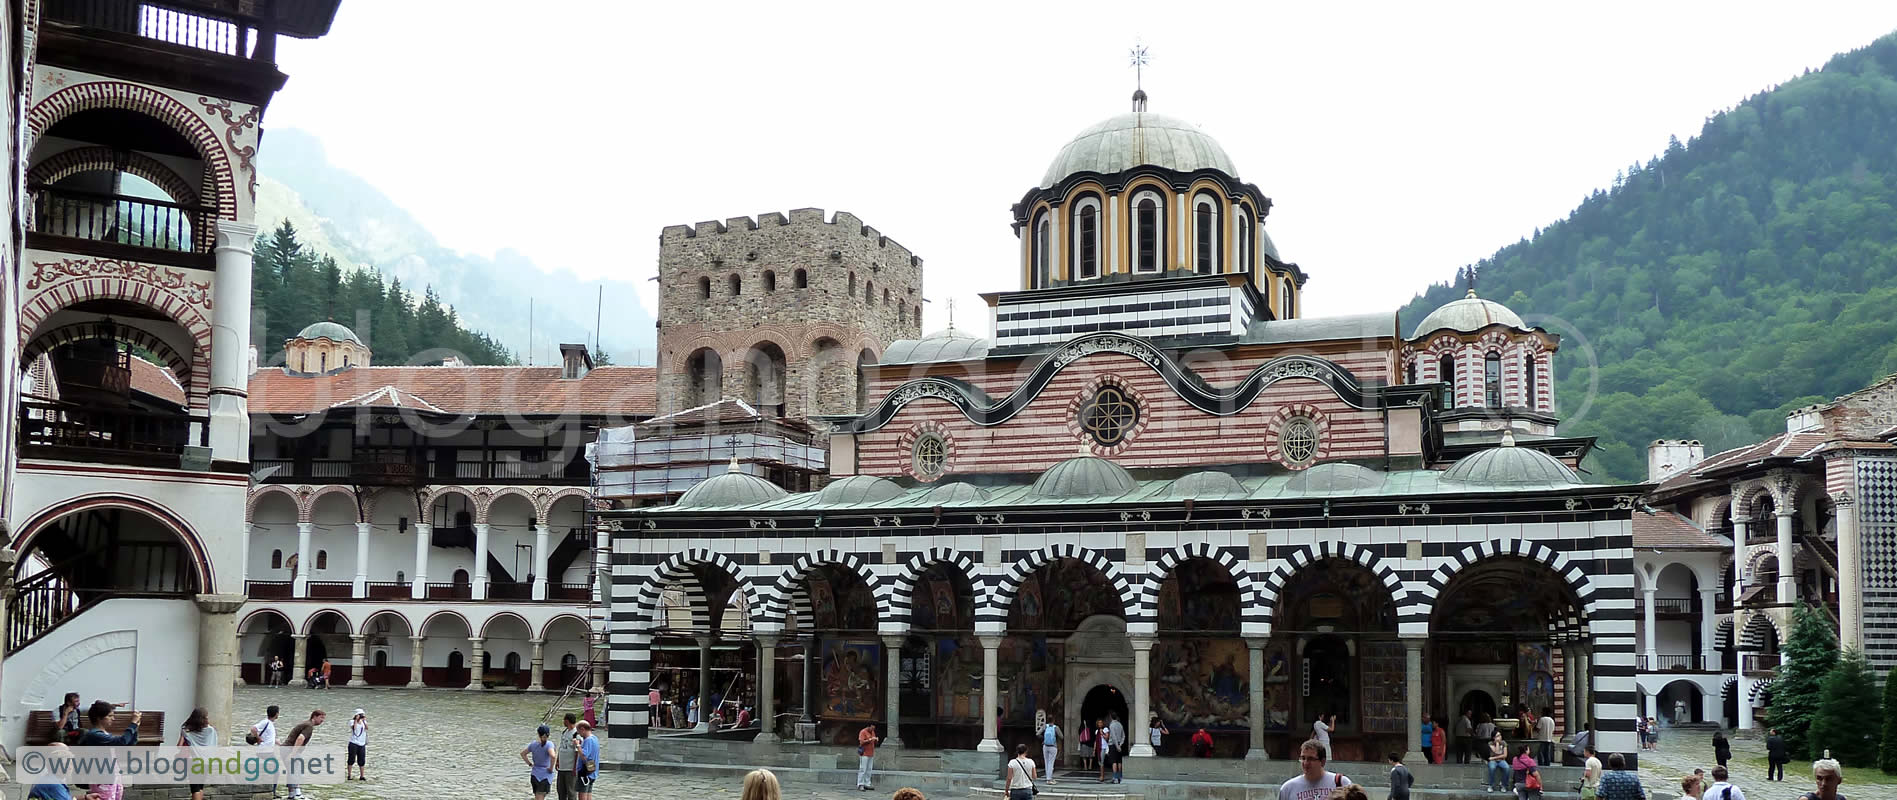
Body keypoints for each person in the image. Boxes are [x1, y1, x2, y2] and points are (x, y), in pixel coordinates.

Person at [1279, 739, 1351, 800]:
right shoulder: (1288, 788)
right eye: (1303, 758)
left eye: (1311, 759)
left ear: (1322, 762)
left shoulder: (1342, 783)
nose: (1306, 763)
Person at [282, 710, 324, 799]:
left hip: (285, 749)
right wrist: (293, 754)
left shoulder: (306, 724)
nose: (322, 720)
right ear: (314, 717)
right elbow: (300, 739)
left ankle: (291, 795)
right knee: (296, 771)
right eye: (321, 717)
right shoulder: (309, 726)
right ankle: (298, 794)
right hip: (291, 750)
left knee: (291, 772)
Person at [178, 707, 217, 800]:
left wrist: (183, 734)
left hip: (193, 761)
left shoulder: (186, 730)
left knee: (195, 788)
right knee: (200, 786)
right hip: (206, 761)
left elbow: (179, 746)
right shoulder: (211, 730)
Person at [249, 705, 280, 796]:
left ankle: (271, 791)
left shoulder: (270, 723)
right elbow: (253, 728)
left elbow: (270, 738)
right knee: (276, 771)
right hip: (264, 751)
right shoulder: (265, 722)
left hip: (266, 750)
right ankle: (273, 792)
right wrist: (258, 739)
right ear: (276, 714)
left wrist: (280, 744)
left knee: (271, 770)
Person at [522, 724, 558, 800]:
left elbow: (523, 754)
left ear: (538, 734)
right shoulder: (549, 744)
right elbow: (553, 756)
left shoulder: (533, 744)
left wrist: (530, 764)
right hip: (545, 775)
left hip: (535, 773)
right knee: (540, 797)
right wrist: (551, 768)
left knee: (537, 796)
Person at [574, 720, 601, 800]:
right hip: (592, 769)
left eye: (578, 731)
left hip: (585, 772)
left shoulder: (588, 740)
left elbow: (584, 756)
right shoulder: (594, 738)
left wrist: (578, 745)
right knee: (589, 793)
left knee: (582, 794)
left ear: (582, 729)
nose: (579, 734)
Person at [555, 713, 579, 800]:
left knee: (571, 791)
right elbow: (561, 747)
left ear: (567, 721)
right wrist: (557, 760)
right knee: (561, 790)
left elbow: (577, 752)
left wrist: (575, 768)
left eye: (564, 720)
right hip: (562, 767)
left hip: (570, 768)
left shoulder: (576, 734)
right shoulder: (565, 732)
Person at [857, 723, 880, 790]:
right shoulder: (863, 732)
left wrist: (876, 740)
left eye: (874, 729)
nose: (872, 730)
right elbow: (861, 742)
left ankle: (867, 783)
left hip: (871, 753)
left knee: (869, 769)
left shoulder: (872, 732)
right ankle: (860, 784)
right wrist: (869, 740)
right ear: (868, 726)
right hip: (864, 753)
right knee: (863, 769)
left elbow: (874, 742)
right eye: (872, 728)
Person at [346, 709, 368, 781]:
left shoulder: (363, 722)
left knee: (362, 760)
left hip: (362, 743)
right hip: (353, 743)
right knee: (351, 759)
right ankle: (349, 775)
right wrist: (356, 720)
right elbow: (354, 729)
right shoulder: (352, 722)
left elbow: (367, 728)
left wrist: (364, 721)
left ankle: (362, 776)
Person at [1040, 714, 1061, 783]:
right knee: (1051, 762)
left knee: (1046, 762)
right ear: (1054, 720)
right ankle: (1049, 779)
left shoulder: (1045, 726)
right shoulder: (1056, 727)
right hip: (1053, 746)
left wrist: (1044, 739)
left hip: (1045, 746)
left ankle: (1047, 777)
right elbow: (1061, 736)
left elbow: (1037, 733)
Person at [1108, 712, 1127, 784]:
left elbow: (1113, 737)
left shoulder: (1112, 725)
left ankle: (1115, 778)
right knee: (1119, 761)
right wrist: (1121, 744)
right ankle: (1120, 777)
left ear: (1110, 717)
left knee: (1114, 762)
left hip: (1113, 745)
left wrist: (1117, 746)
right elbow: (1123, 736)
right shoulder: (1120, 724)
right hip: (1119, 744)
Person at [1094, 718, 1112, 783]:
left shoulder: (1105, 729)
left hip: (1103, 747)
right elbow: (1095, 741)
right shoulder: (1096, 731)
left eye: (1101, 722)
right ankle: (1101, 774)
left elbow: (1107, 738)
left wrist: (1102, 733)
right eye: (1099, 723)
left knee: (1102, 762)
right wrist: (1094, 750)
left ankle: (1102, 776)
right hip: (1098, 748)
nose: (1100, 724)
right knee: (1099, 762)